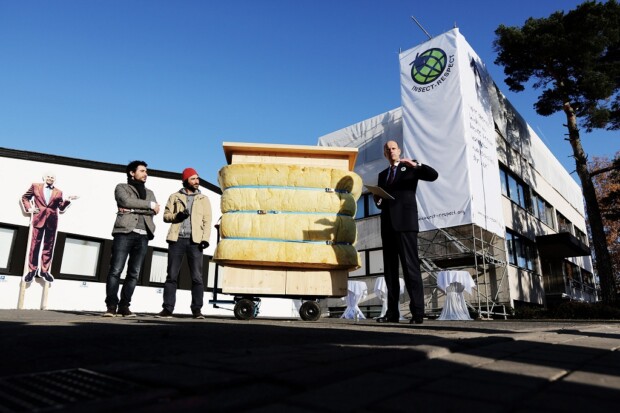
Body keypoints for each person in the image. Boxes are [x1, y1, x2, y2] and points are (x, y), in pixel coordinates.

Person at [374, 140, 438, 324]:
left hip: (405, 224)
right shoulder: (382, 174)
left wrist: (416, 165)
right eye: (387, 149)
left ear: (399, 150)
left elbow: (433, 175)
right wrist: (377, 200)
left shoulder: (409, 167)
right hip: (387, 226)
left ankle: (418, 313)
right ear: (385, 153)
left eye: (393, 148)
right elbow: (383, 202)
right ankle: (392, 313)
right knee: (390, 272)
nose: (391, 151)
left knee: (410, 268)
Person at [104, 160, 160, 317]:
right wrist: (147, 205)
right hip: (124, 232)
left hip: (143, 236)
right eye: (142, 171)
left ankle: (124, 306)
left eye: (146, 171)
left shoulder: (150, 192)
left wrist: (133, 209)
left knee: (134, 273)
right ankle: (111, 306)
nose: (145, 174)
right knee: (115, 270)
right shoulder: (122, 187)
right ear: (132, 172)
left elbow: (154, 211)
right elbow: (125, 201)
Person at [156, 167, 212, 319]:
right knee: (171, 276)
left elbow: (207, 221)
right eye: (193, 178)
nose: (197, 181)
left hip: (196, 242)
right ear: (186, 180)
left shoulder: (203, 199)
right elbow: (166, 216)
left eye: (197, 179)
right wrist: (177, 216)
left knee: (197, 278)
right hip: (177, 240)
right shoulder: (174, 197)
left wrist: (205, 240)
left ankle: (197, 310)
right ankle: (167, 309)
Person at [21, 173, 78, 283]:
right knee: (34, 246)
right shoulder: (35, 186)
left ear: (54, 180)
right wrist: (29, 209)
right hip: (38, 219)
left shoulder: (58, 192)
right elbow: (25, 197)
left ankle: (44, 271)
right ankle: (32, 270)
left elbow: (61, 207)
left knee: (48, 247)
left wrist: (68, 200)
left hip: (52, 221)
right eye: (48, 176)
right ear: (44, 178)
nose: (50, 178)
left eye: (52, 177)